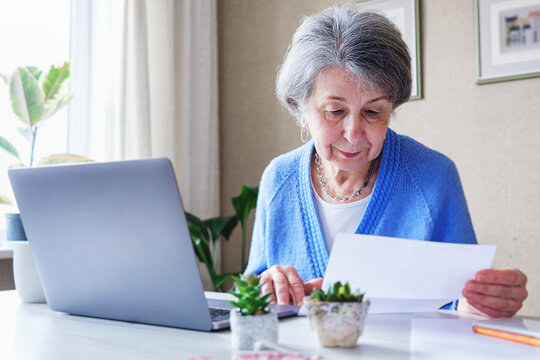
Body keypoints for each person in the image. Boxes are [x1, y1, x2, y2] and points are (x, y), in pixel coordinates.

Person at [243, 4, 528, 318]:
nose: (353, 134)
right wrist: (266, 289)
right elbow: (255, 294)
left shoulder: (433, 177)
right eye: (335, 111)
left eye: (373, 112)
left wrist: (481, 303)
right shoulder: (278, 178)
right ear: (301, 107)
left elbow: (460, 305)